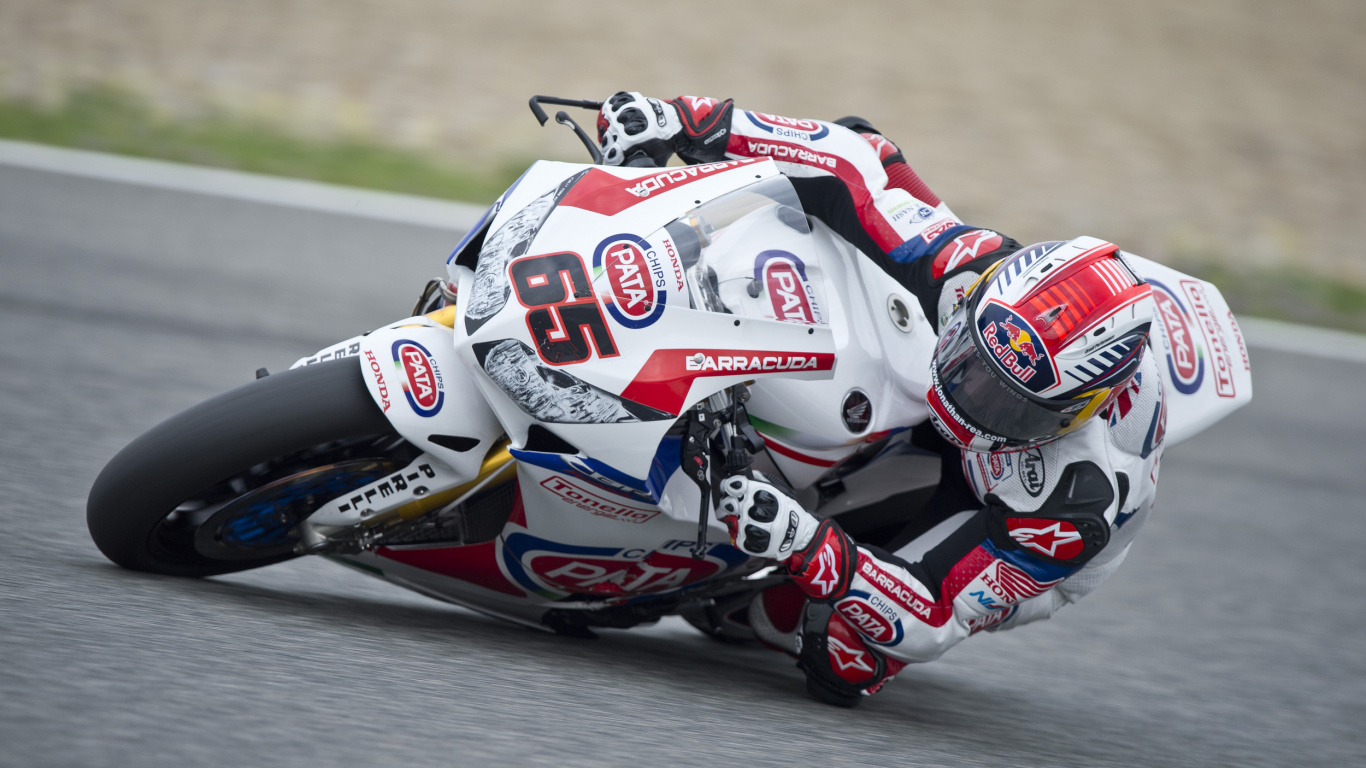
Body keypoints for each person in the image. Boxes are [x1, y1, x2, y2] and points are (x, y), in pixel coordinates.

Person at [598, 92, 1167, 707]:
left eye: (1008, 402)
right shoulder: (973, 273)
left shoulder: (1070, 507)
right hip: (968, 405)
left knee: (840, 650)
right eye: (971, 361)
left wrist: (806, 544)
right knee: (829, 215)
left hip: (996, 509)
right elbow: (858, 161)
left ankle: (738, 602)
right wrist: (692, 121)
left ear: (1073, 413)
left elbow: (935, 615)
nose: (965, 395)